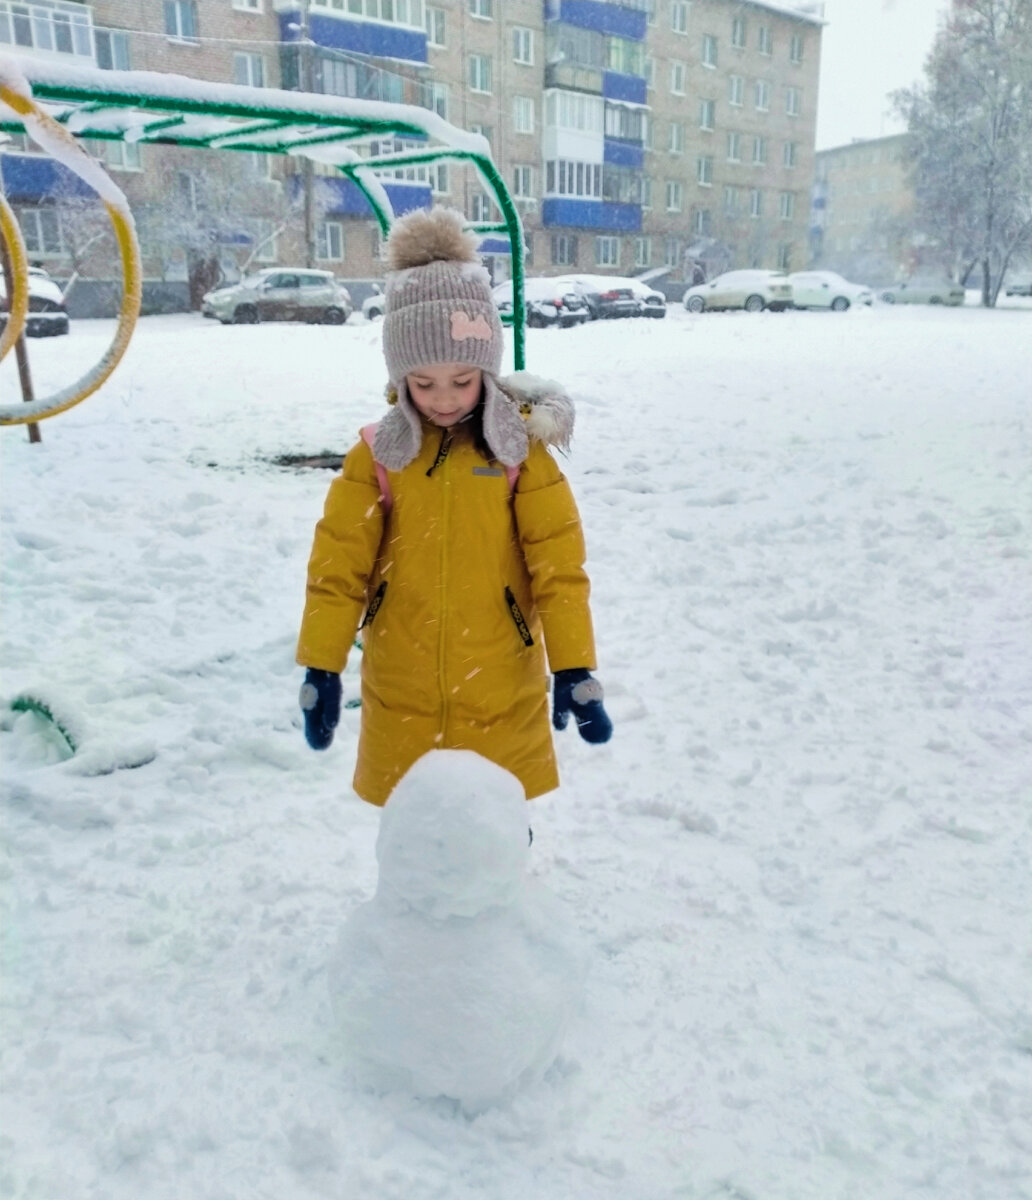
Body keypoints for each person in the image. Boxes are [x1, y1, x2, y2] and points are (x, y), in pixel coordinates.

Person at [296, 207, 611, 807]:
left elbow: (560, 568)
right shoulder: (377, 456)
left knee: (496, 811)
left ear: (487, 370)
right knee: (413, 813)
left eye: (463, 380)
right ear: (399, 377)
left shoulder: (518, 451)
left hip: (499, 678)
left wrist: (574, 666)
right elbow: (337, 567)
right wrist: (321, 665)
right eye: (424, 382)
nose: (443, 398)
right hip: (400, 679)